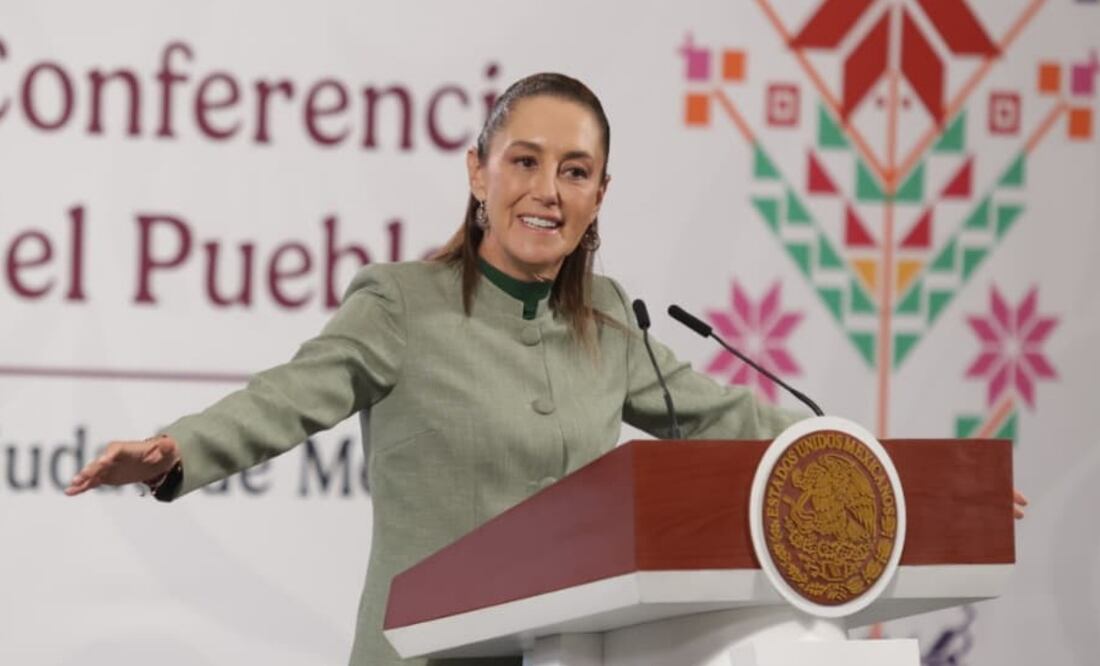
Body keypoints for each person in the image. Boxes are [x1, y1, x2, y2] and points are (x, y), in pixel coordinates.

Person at [64, 73, 1026, 666]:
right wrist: (175, 451)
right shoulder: (405, 303)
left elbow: (735, 422)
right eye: (524, 161)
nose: (546, 190)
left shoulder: (609, 321)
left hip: (572, 658)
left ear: (600, 193)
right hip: (423, 661)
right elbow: (290, 396)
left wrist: (906, 482)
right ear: (477, 170)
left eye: (574, 171)